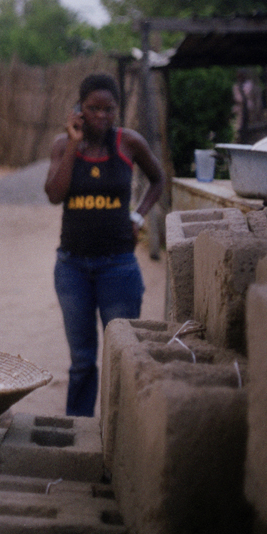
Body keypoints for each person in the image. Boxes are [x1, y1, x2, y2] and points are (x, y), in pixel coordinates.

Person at [44, 73, 165, 417]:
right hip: (72, 268)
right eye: (93, 108)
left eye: (109, 109)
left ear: (117, 110)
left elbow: (158, 180)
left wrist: (139, 216)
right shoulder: (62, 144)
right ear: (79, 109)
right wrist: (72, 143)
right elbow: (55, 195)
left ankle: (121, 430)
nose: (101, 116)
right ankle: (78, 430)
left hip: (118, 267)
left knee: (122, 355)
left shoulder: (129, 143)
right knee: (82, 361)